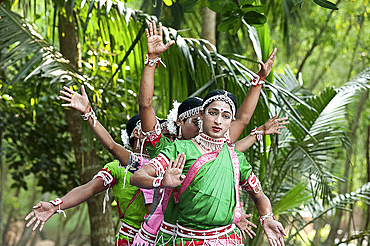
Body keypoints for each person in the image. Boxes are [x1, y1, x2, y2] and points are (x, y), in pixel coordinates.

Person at [130, 90, 287, 246]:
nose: (218, 120)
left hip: (228, 240)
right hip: (187, 240)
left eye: (225, 116)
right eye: (213, 113)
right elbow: (136, 177)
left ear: (231, 121)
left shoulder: (236, 159)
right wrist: (161, 182)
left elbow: (259, 196)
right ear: (201, 114)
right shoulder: (181, 149)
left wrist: (267, 218)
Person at [25, 86, 170, 246]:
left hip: (163, 239)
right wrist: (55, 205)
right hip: (130, 240)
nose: (155, 133)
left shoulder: (166, 162)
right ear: (136, 133)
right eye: (150, 126)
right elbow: (89, 188)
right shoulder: (121, 166)